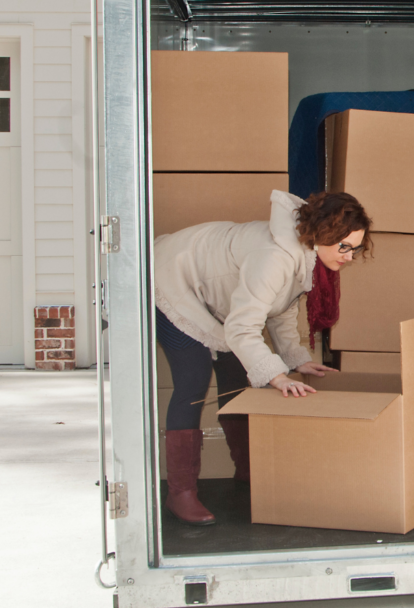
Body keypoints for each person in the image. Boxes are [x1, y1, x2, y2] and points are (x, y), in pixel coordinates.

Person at [153, 190, 372, 524]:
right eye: (344, 246)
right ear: (323, 234)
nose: (350, 257)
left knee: (236, 381)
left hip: (212, 299)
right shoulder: (274, 257)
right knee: (194, 380)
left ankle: (248, 470)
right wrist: (277, 375)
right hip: (171, 281)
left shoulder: (304, 251)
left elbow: (278, 306)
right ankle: (180, 492)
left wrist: (294, 359)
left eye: (355, 248)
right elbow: (242, 328)